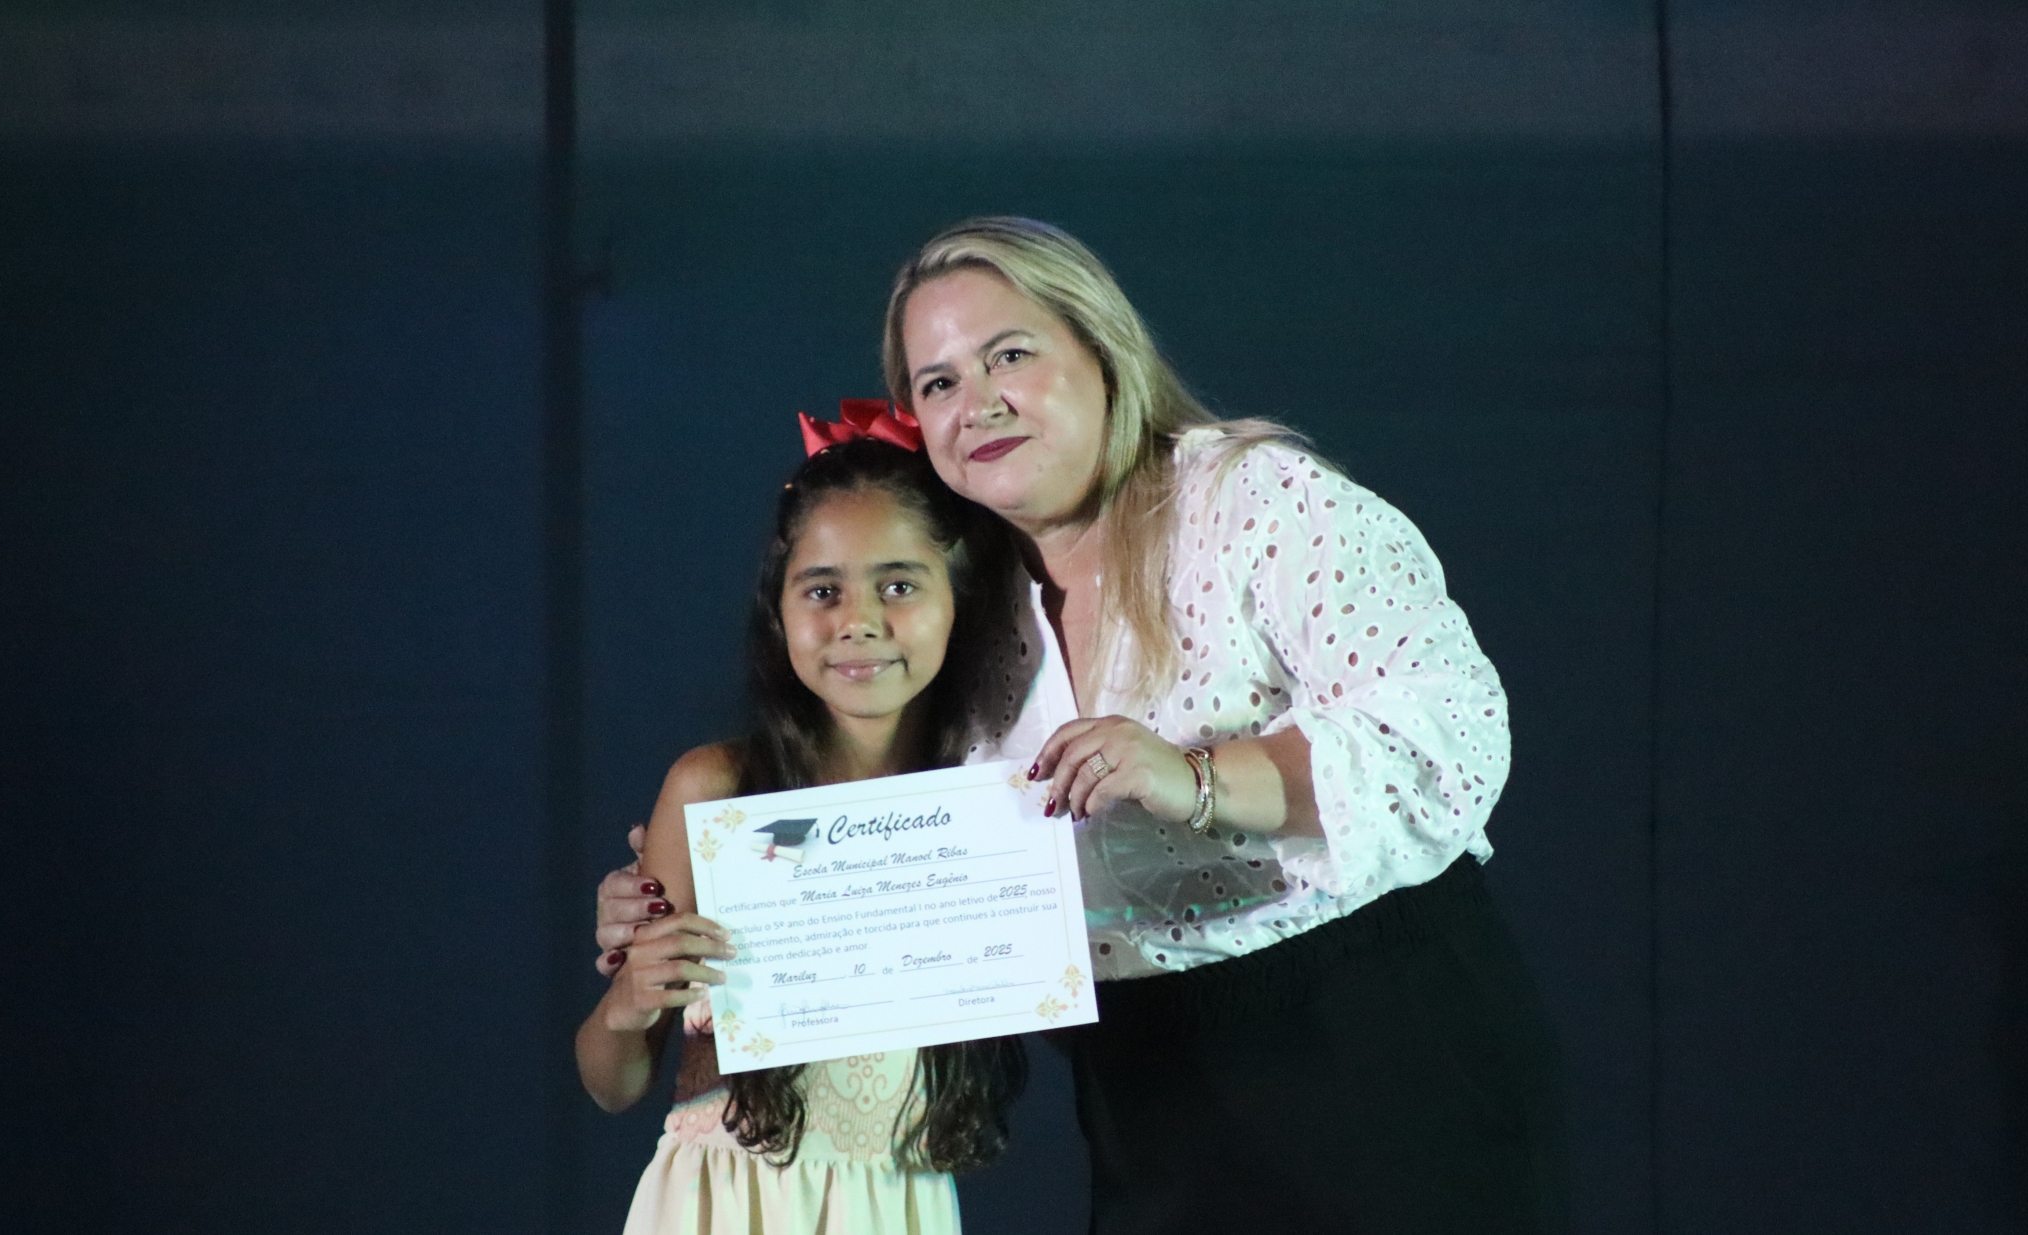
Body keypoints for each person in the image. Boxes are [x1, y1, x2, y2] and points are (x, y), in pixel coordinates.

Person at [601, 220, 1567, 1233]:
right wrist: (680, 891)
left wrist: (1198, 778)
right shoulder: (960, 592)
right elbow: (877, 813)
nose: (978, 402)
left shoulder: (1250, 499)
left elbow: (1449, 736)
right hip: (1144, 1087)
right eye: (938, 382)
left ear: (1102, 348)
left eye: (1009, 355)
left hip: (1375, 1038)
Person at [576, 421, 1027, 1235]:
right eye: (822, 590)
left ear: (959, 598)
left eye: (899, 585)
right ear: (777, 612)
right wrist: (628, 1002)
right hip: (730, 1202)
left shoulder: (997, 806)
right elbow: (612, 1082)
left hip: (899, 1203)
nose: (858, 621)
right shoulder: (716, 790)